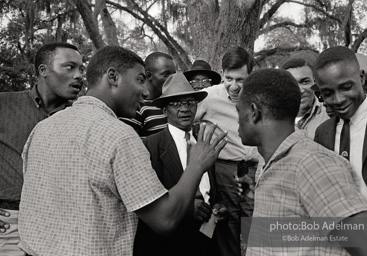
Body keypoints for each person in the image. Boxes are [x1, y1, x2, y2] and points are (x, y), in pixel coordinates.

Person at [18, 46, 227, 256]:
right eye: (139, 79)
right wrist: (198, 164)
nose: (145, 92)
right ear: (113, 77)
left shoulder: (42, 128)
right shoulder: (121, 137)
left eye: (190, 103)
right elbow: (164, 220)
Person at [236, 68, 367, 256]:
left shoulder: (311, 164)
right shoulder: (272, 164)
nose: (237, 119)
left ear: (253, 112)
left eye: (238, 111)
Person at [0, 42, 85, 256]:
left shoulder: (83, 118)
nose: (79, 76)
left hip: (63, 226)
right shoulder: (4, 104)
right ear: (43, 70)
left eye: (81, 69)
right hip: (9, 225)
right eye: (70, 67)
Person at [134, 73, 228, 256]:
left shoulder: (203, 143)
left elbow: (214, 191)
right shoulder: (149, 146)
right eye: (176, 104)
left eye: (190, 103)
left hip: (205, 241)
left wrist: (219, 206)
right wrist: (185, 208)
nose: (185, 108)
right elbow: (147, 203)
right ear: (164, 110)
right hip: (169, 245)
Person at [194, 46, 259, 256]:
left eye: (240, 80)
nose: (233, 86)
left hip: (255, 170)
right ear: (222, 74)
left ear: (251, 74)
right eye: (228, 78)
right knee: (228, 222)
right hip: (224, 170)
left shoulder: (259, 95)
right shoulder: (208, 96)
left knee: (256, 222)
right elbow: (183, 120)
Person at [314, 46, 367, 223]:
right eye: (328, 93)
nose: (338, 100)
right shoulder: (322, 133)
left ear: (361, 78)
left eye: (346, 87)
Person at [120, 52, 176, 138]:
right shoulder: (136, 107)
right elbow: (128, 143)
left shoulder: (170, 104)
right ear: (149, 75)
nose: (172, 79)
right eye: (166, 74)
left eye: (174, 75)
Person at [282, 58, 329, 138]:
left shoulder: (330, 115)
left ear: (315, 82)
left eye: (305, 82)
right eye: (291, 84)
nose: (299, 90)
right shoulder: (273, 120)